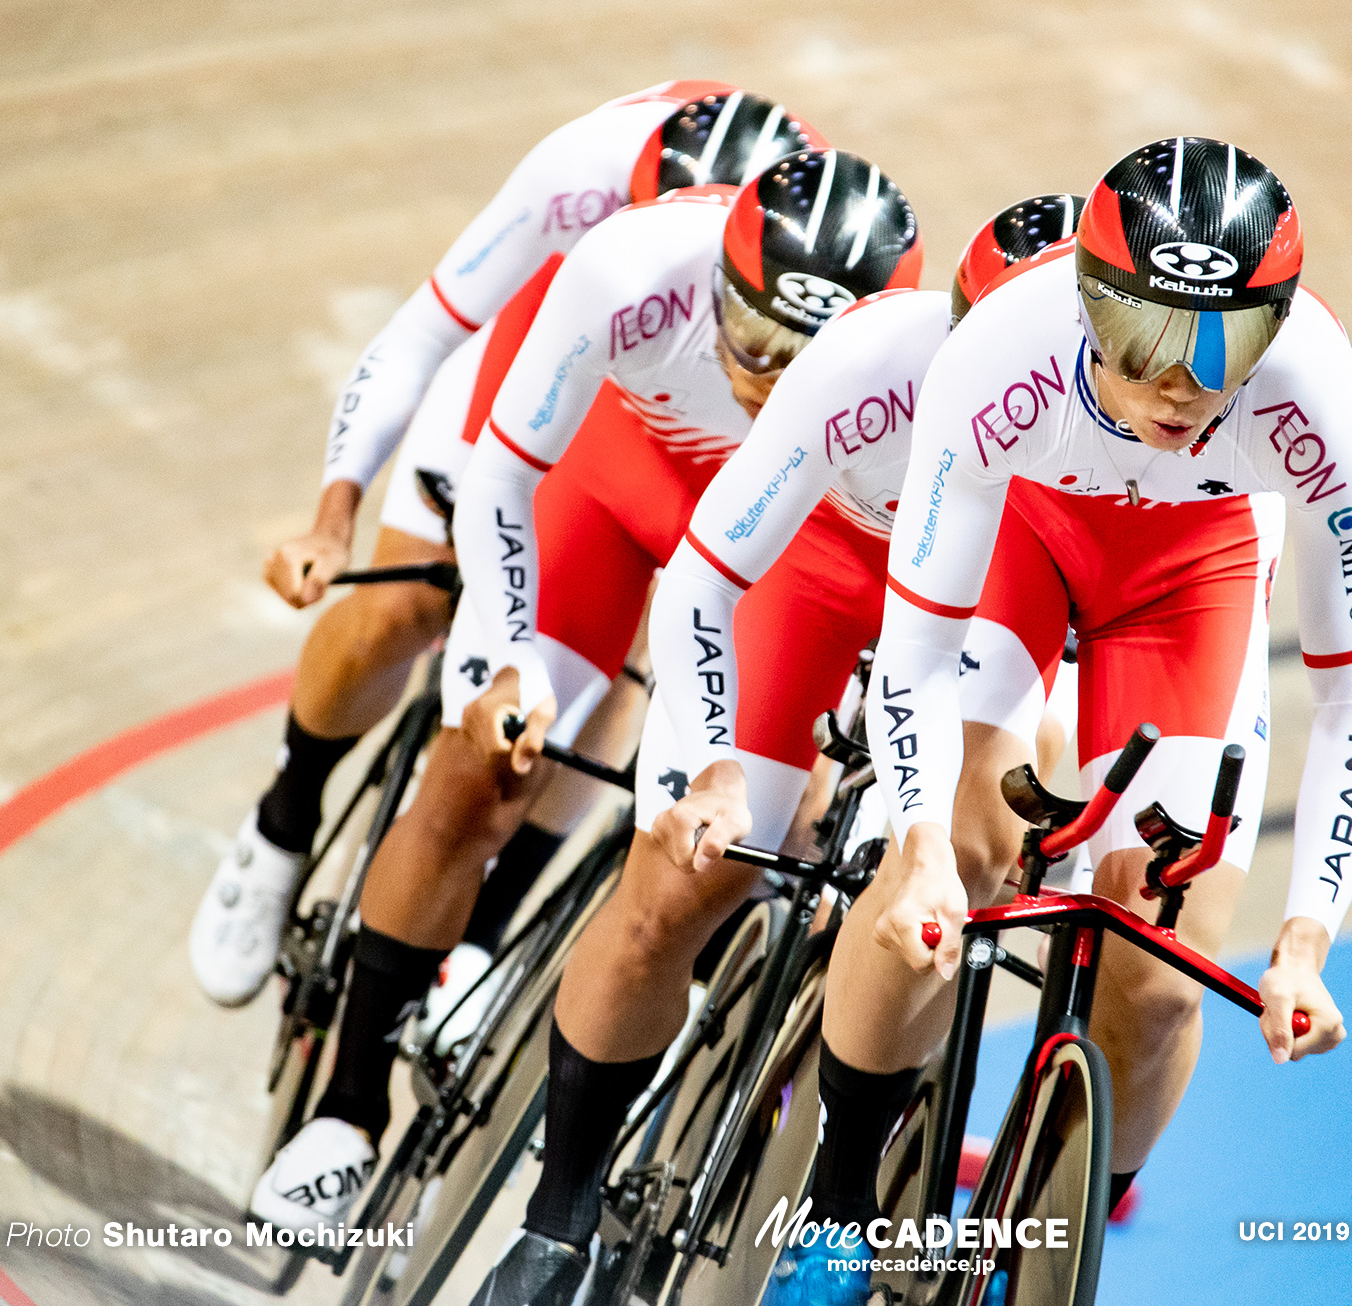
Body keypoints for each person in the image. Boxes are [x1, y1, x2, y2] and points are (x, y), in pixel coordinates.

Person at [248, 150, 912, 1252]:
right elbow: (503, 477)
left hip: (779, 536)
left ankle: (611, 1009)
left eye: (797, 363)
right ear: (720, 286)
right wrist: (501, 660)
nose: (760, 375)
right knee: (484, 765)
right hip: (624, 475)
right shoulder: (633, 268)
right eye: (745, 340)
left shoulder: (900, 380)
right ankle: (345, 1108)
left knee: (756, 833)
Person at [788, 138, 1352, 1304]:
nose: (1180, 383)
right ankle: (835, 1201)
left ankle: (1051, 1225)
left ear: (1275, 329)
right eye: (1143, 341)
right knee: (959, 855)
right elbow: (914, 651)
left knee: (1166, 983)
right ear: (1084, 301)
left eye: (1226, 343)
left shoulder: (1321, 399)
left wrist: (1308, 938)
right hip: (1031, 534)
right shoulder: (999, 357)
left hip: (1194, 572)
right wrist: (917, 850)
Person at [460, 192, 1077, 1306]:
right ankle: (557, 1216)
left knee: (961, 875)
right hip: (815, 568)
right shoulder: (863, 363)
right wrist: (712, 761)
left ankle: (839, 1203)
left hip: (985, 621)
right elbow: (702, 576)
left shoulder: (1157, 443)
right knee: (678, 880)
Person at [188, 82, 814, 1010]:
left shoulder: (801, 243)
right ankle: (286, 816)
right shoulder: (583, 176)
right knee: (406, 602)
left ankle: (485, 927)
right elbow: (423, 335)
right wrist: (335, 513)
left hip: (688, 412)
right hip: (543, 356)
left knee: (638, 652)